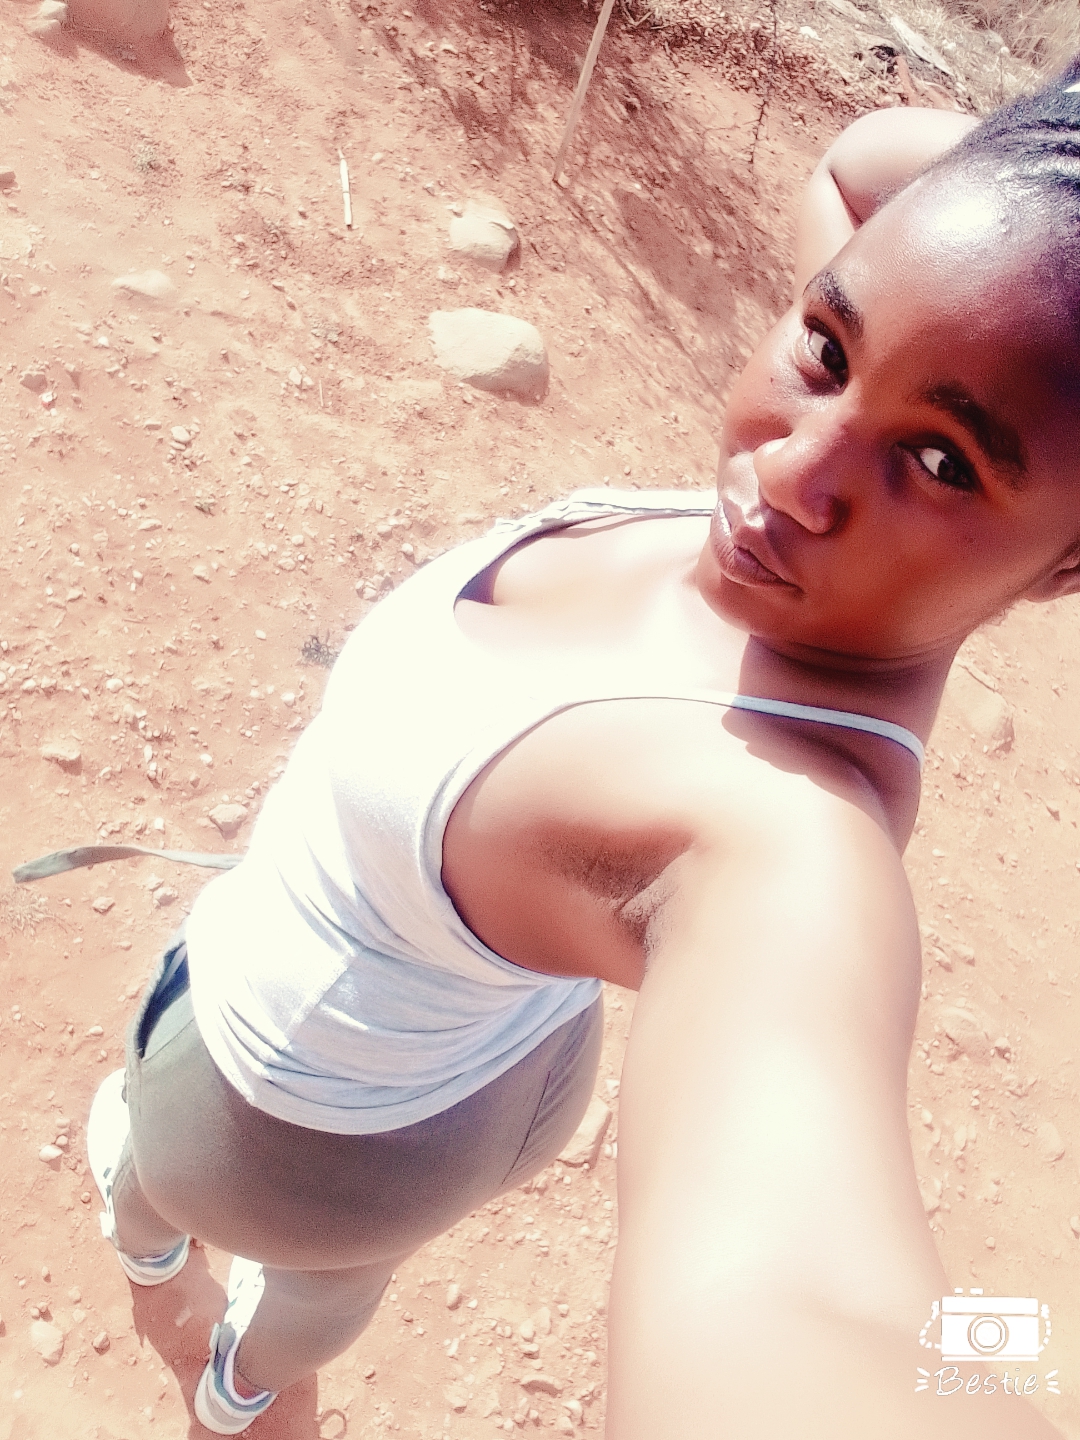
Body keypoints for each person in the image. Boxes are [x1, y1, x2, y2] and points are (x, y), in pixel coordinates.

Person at [84, 57, 1080, 1438]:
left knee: (151, 1174)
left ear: (1066, 564)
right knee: (326, 1286)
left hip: (289, 1113)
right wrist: (1048, 174)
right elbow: (861, 171)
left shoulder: (781, 827)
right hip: (497, 1074)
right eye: (827, 348)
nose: (789, 472)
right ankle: (252, 1380)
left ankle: (189, 1317)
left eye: (944, 462)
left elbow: (805, 1312)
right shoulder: (829, 549)